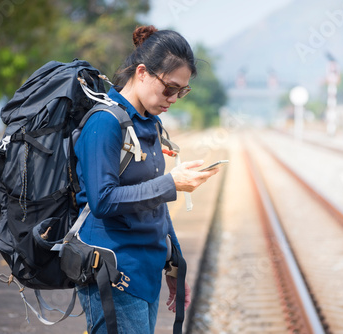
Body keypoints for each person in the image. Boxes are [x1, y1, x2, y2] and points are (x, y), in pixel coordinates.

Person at [74, 25, 219, 334]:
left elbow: (155, 204)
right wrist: (172, 183)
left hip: (146, 271)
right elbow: (102, 200)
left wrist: (174, 261)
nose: (175, 98)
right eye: (170, 87)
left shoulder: (149, 125)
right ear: (142, 73)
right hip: (114, 274)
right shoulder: (105, 122)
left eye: (182, 91)